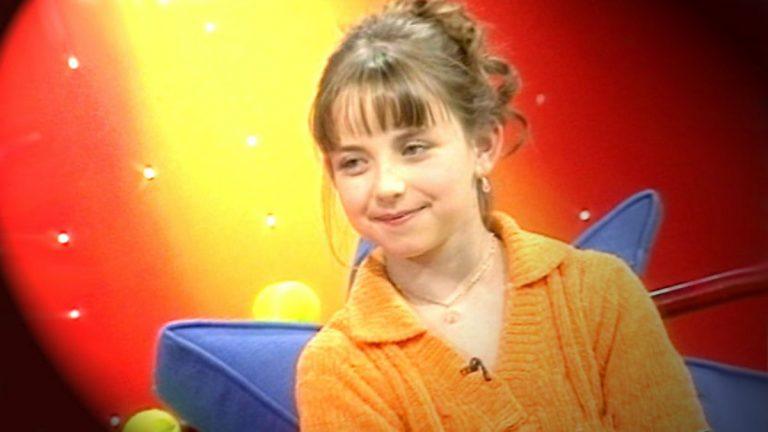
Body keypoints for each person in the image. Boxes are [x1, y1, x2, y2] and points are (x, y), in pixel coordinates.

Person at [295, 0, 710, 430]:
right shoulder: (339, 367)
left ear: (483, 145)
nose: (387, 186)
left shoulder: (599, 294)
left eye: (413, 148)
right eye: (354, 162)